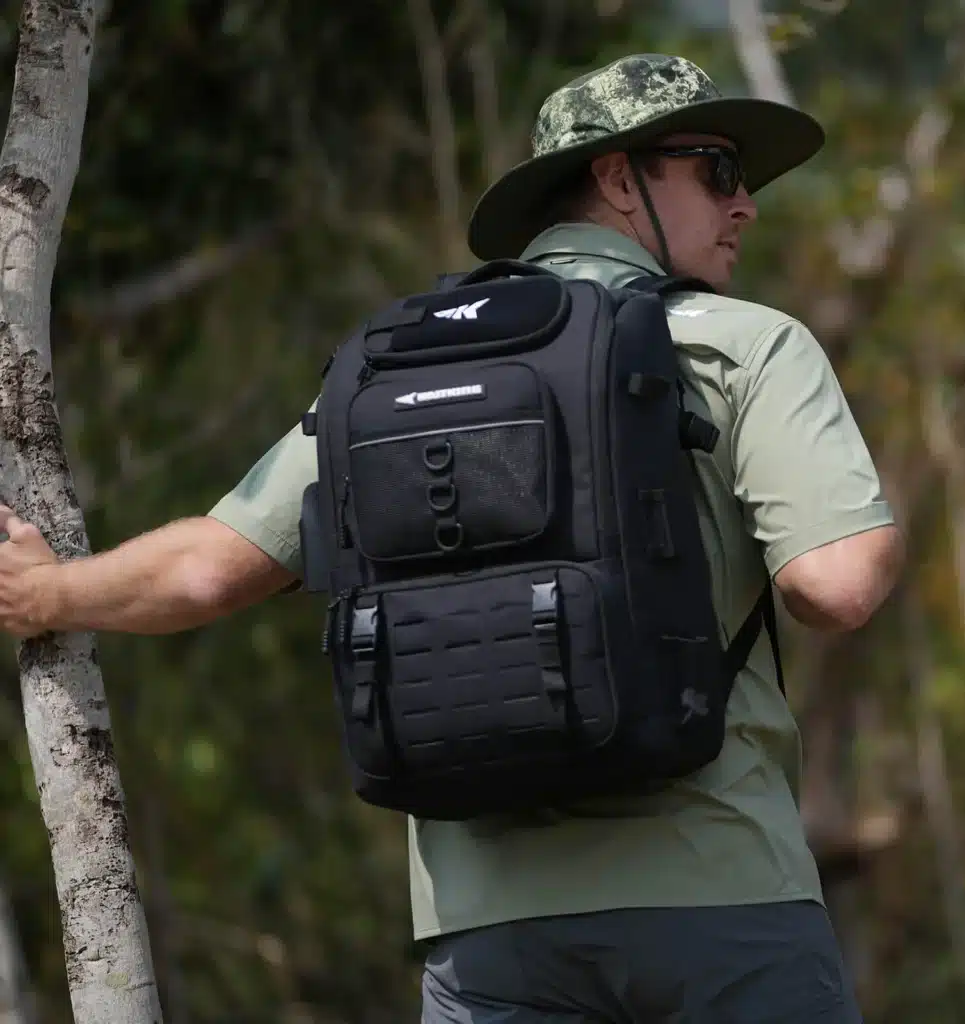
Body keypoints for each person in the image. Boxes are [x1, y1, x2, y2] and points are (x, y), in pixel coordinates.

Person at [0, 53, 903, 1023]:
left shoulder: (391, 366)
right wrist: (867, 503)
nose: (746, 205)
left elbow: (213, 567)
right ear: (614, 175)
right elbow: (835, 586)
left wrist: (51, 595)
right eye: (716, 169)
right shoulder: (743, 345)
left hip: (491, 937)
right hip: (722, 902)